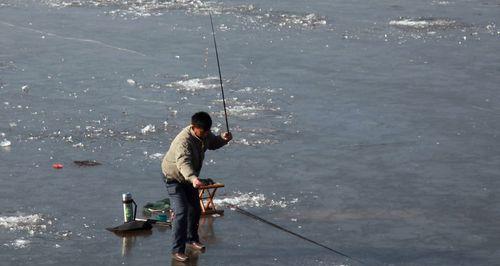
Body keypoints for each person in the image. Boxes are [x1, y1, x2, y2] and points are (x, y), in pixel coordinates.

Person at [161, 111, 232, 262]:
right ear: (194, 127)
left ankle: (191, 239)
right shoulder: (183, 142)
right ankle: (177, 250)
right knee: (181, 211)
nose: (206, 134)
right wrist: (193, 179)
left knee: (195, 208)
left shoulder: (204, 134)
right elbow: (183, 163)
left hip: (190, 179)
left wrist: (223, 139)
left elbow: (213, 143)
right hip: (173, 178)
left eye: (208, 131)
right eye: (204, 131)